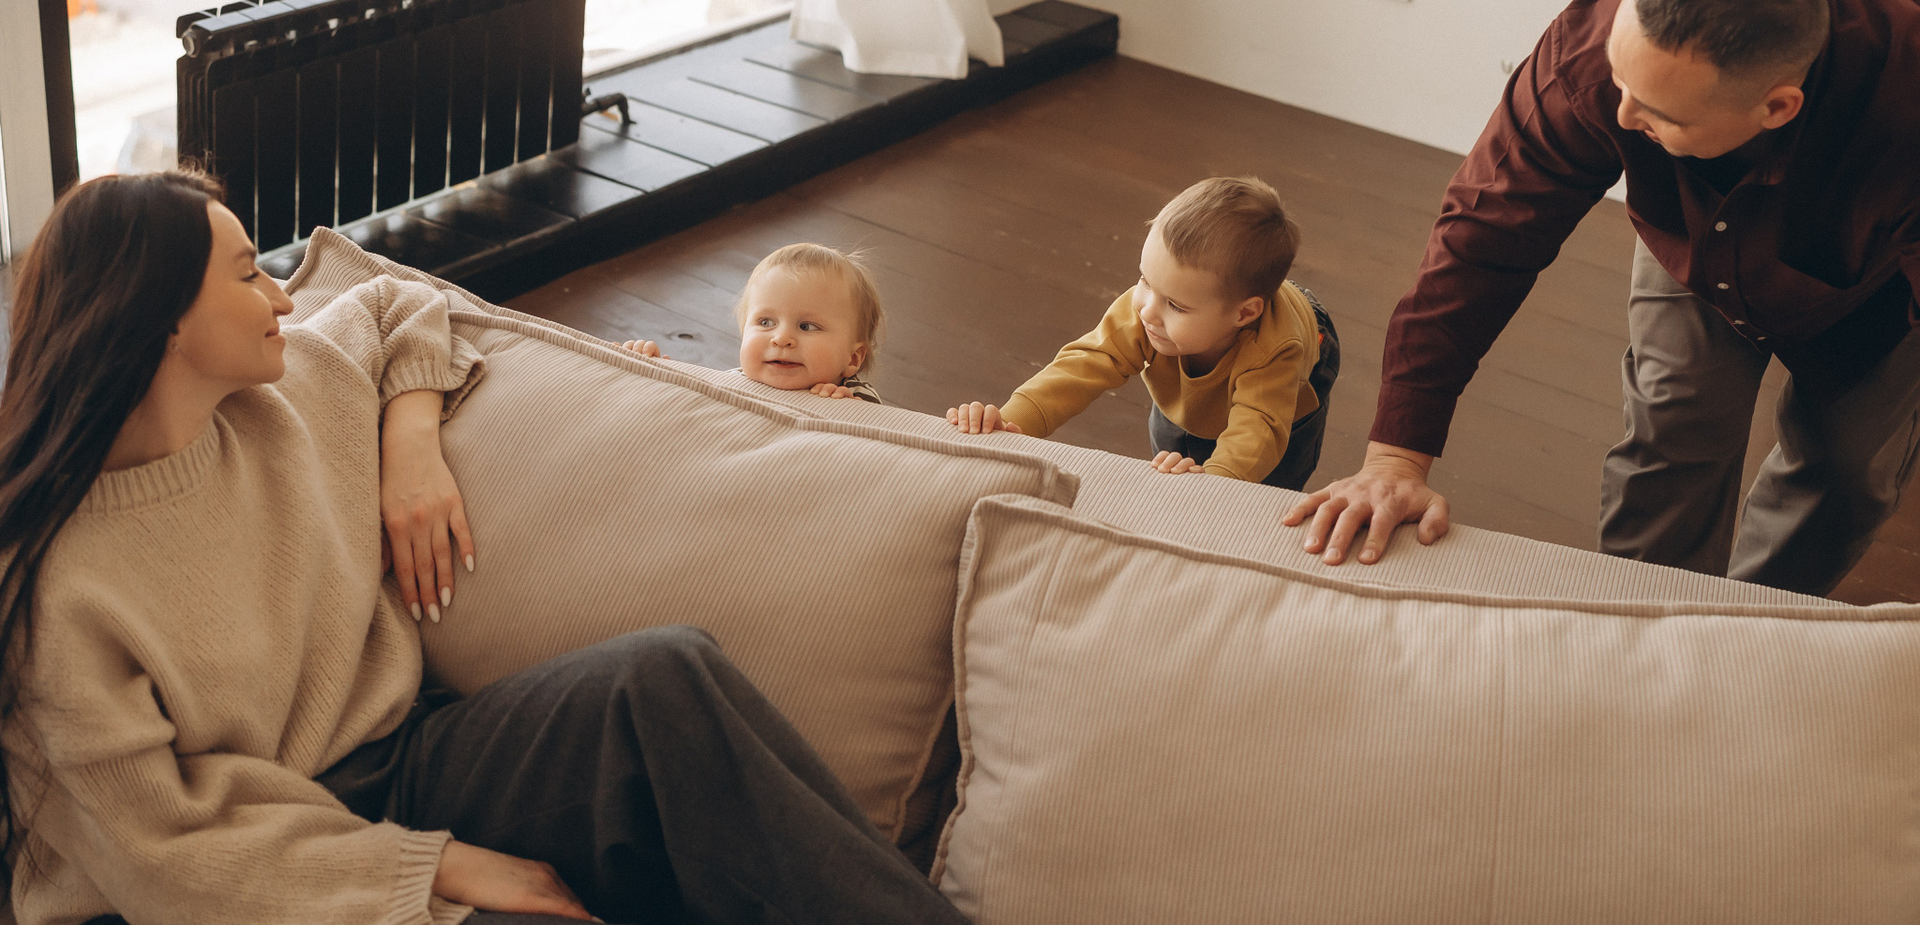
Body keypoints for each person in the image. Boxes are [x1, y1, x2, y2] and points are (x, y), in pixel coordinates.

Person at [0, 171, 966, 925]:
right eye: (251, 274)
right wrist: (435, 868)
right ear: (165, 318)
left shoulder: (278, 396)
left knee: (661, 678)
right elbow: (167, 861)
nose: (282, 299)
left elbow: (392, 303)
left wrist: (411, 443)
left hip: (401, 760)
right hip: (254, 867)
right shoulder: (54, 583)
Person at [1288, 0, 1920, 596]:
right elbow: (1482, 236)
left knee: (1847, 474)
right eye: (1621, 82)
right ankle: (1641, 619)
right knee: (1675, 429)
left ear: (1776, 107)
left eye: (1657, 111)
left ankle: (1753, 623)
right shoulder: (1591, 51)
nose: (1620, 117)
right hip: (1694, 236)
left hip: (1877, 276)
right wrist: (1394, 459)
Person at [946, 176, 1340, 489]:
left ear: (1245, 313)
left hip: (1302, 363)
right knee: (1174, 442)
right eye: (1145, 281)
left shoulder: (1276, 349)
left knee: (1271, 477)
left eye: (1175, 305)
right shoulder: (1150, 309)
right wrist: (1011, 426)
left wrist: (1215, 485)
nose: (1147, 309)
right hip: (1194, 358)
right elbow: (1083, 366)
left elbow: (1258, 430)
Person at [626, 242, 885, 402]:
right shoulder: (730, 383)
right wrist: (652, 373)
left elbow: (882, 438)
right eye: (766, 322)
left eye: (806, 326)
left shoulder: (854, 395)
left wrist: (851, 411)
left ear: (852, 359)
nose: (781, 338)